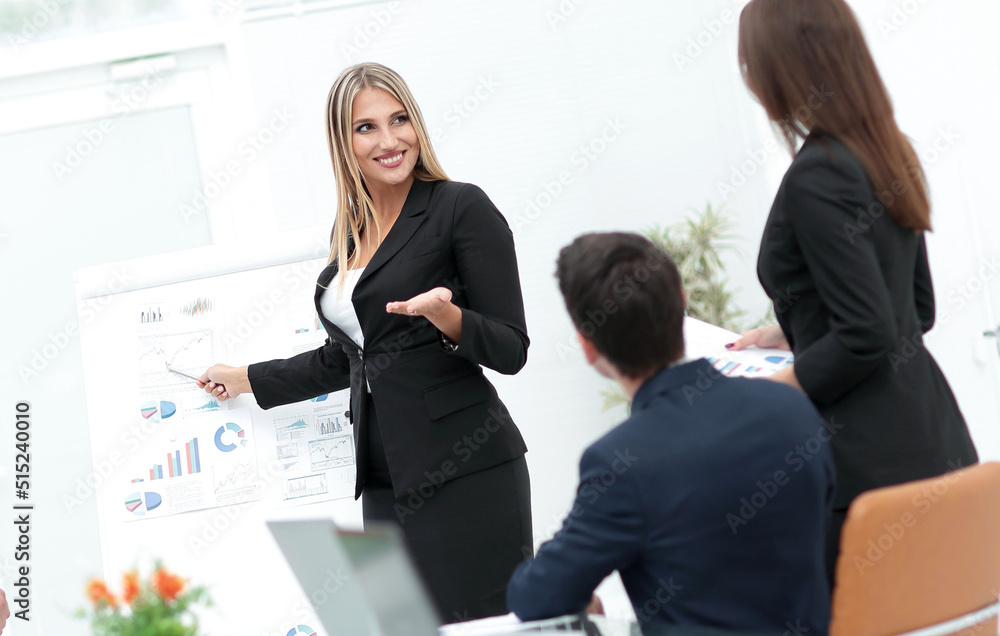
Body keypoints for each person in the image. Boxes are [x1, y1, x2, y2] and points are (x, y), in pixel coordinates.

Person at [198, 62, 532, 622]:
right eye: (366, 127)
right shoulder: (349, 233)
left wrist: (448, 318)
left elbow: (510, 347)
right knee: (399, 627)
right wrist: (249, 378)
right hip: (383, 480)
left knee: (480, 628)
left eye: (399, 119)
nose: (389, 139)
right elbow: (349, 356)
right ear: (343, 143)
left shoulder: (459, 207)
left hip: (465, 472)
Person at [730, 0, 978, 584]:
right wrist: (791, 331)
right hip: (938, 442)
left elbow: (867, 332)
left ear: (782, 67)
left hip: (866, 470)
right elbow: (914, 308)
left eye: (750, 62)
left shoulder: (819, 173)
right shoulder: (889, 150)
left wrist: (777, 384)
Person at [507, 232, 834, 634]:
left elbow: (536, 597)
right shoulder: (792, 409)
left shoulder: (620, 462)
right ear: (682, 300)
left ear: (588, 348)